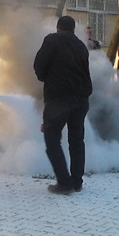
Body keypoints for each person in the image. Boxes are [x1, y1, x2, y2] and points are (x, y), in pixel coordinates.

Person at [33, 16, 92, 195]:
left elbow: (39, 66)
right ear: (74, 30)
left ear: (58, 28)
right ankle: (76, 181)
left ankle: (64, 182)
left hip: (59, 99)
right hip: (81, 99)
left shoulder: (51, 40)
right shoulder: (81, 46)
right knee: (76, 140)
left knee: (52, 139)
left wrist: (47, 78)